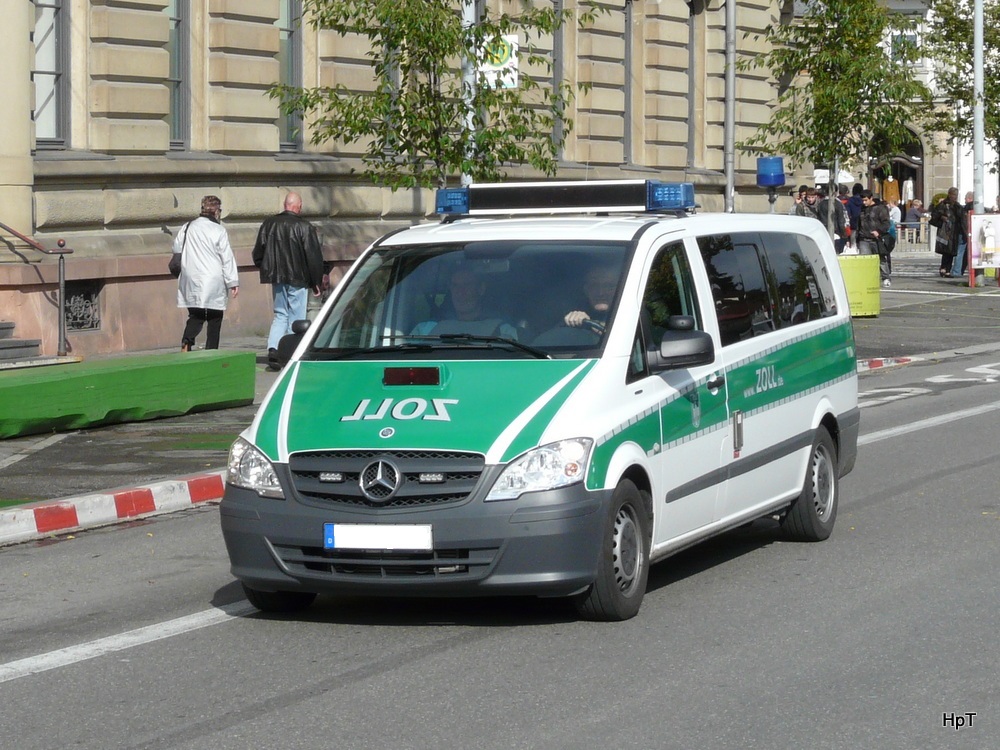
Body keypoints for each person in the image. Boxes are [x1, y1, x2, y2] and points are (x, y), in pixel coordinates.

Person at [252, 191, 325, 370]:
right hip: (298, 277)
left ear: (285, 205)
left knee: (280, 314)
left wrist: (266, 269)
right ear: (297, 206)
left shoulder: (269, 224)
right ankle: (291, 351)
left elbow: (258, 252)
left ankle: (274, 349)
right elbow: (313, 256)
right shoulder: (304, 227)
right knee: (296, 317)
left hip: (277, 276)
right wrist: (316, 281)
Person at [174, 195, 239, 351]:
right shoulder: (219, 230)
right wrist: (233, 282)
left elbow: (177, 248)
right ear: (217, 211)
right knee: (215, 316)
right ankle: (211, 349)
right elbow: (226, 257)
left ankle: (187, 341)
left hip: (191, 276)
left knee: (195, 314)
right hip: (212, 277)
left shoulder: (188, 227)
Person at [411, 266, 517, 338]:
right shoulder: (425, 330)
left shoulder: (503, 330)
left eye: (467, 285)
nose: (460, 292)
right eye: (455, 286)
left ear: (481, 289)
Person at [564, 263, 619, 330]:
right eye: (594, 286)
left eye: (609, 286)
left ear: (619, 289)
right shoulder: (573, 312)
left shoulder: (632, 317)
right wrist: (574, 320)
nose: (600, 293)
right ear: (586, 290)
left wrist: (592, 324)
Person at [856, 190, 892, 287]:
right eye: (862, 200)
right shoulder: (862, 209)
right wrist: (856, 238)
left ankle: (886, 277)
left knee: (881, 259)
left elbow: (886, 223)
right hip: (863, 238)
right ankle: (868, 278)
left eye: (866, 200)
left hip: (876, 238)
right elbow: (858, 224)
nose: (864, 202)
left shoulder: (880, 209)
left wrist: (879, 231)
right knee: (865, 260)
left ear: (871, 198)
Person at [929, 188, 963, 277]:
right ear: (949, 194)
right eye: (953, 194)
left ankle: (947, 270)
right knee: (946, 251)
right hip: (945, 231)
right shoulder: (943, 205)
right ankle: (943, 268)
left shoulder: (957, 206)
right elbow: (934, 217)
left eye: (956, 195)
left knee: (952, 252)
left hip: (954, 231)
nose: (955, 197)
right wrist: (941, 218)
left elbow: (961, 217)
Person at [952, 191, 974, 277]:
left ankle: (957, 271)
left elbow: (963, 222)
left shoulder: (966, 208)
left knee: (960, 252)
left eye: (965, 198)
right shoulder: (975, 207)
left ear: (969, 198)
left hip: (964, 232)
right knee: (965, 253)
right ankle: (961, 270)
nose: (964, 200)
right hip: (968, 232)